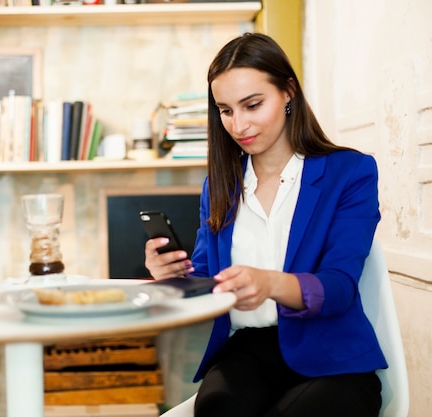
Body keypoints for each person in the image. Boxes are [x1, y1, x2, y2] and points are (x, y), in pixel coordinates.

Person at [144, 32, 387, 417]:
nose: (239, 125)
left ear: (288, 91)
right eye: (225, 110)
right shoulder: (220, 184)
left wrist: (269, 282)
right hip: (247, 354)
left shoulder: (350, 173)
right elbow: (207, 280)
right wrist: (170, 276)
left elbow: (338, 287)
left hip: (333, 357)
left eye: (252, 105)